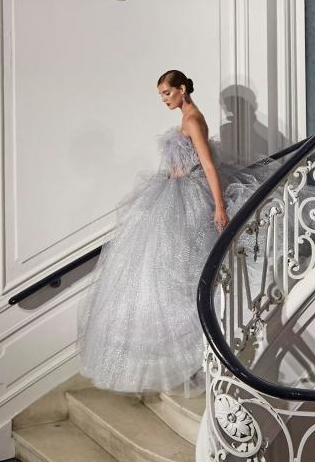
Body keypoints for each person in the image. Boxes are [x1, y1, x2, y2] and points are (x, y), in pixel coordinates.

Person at [78, 70, 271, 395]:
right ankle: (180, 349)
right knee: (165, 267)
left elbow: (208, 165)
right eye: (162, 95)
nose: (165, 100)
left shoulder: (193, 119)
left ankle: (198, 344)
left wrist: (220, 206)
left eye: (168, 93)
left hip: (190, 196)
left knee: (183, 266)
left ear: (182, 90)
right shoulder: (188, 117)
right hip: (175, 191)